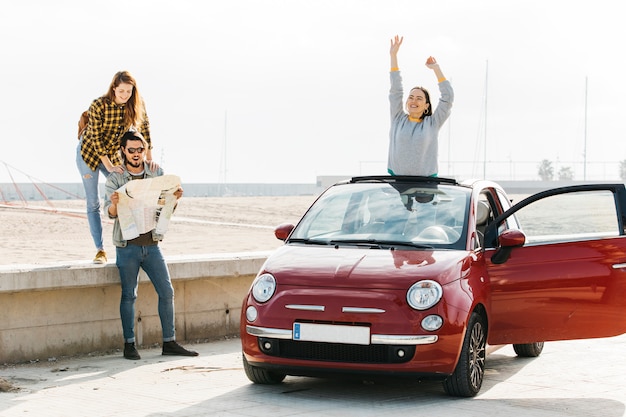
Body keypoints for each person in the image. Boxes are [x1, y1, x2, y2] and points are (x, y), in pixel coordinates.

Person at [104, 131, 198, 360]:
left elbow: (165, 210)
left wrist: (175, 199)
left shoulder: (156, 173)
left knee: (167, 292)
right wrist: (115, 204)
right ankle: (129, 345)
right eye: (131, 150)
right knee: (129, 295)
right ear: (123, 151)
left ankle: (169, 343)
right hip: (127, 246)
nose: (136, 155)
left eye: (140, 150)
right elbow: (109, 214)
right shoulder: (115, 177)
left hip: (152, 245)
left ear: (144, 150)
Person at [76, 70, 157, 264]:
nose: (125, 95)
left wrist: (148, 158)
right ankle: (100, 250)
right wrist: (110, 167)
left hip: (111, 155)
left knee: (126, 193)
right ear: (114, 88)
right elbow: (95, 138)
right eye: (121, 91)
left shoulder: (136, 105)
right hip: (89, 155)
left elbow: (144, 130)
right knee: (93, 203)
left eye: (129, 91)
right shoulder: (99, 105)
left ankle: (131, 240)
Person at [388, 35, 454, 177]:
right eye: (411, 97)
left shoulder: (433, 123)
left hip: (426, 185)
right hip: (398, 183)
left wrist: (436, 69)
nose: (414, 101)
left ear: (426, 106)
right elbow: (396, 90)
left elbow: (447, 98)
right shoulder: (398, 118)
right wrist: (393, 56)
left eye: (419, 98)